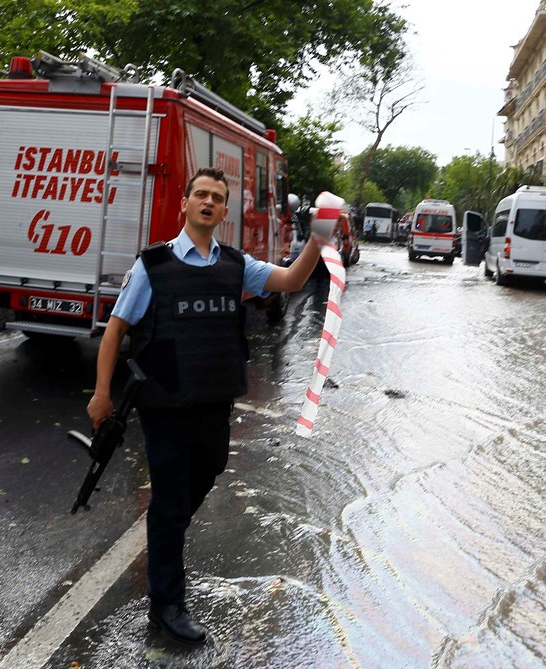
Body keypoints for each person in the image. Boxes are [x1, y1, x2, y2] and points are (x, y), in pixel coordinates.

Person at [86, 167, 335, 646]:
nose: (207, 201)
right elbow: (116, 330)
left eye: (217, 197)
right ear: (184, 204)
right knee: (169, 506)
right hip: (164, 407)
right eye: (199, 194)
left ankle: (168, 542)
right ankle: (166, 607)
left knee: (200, 481)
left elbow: (293, 277)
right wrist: (101, 394)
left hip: (213, 406)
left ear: (223, 211)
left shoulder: (238, 265)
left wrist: (320, 235)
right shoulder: (152, 266)